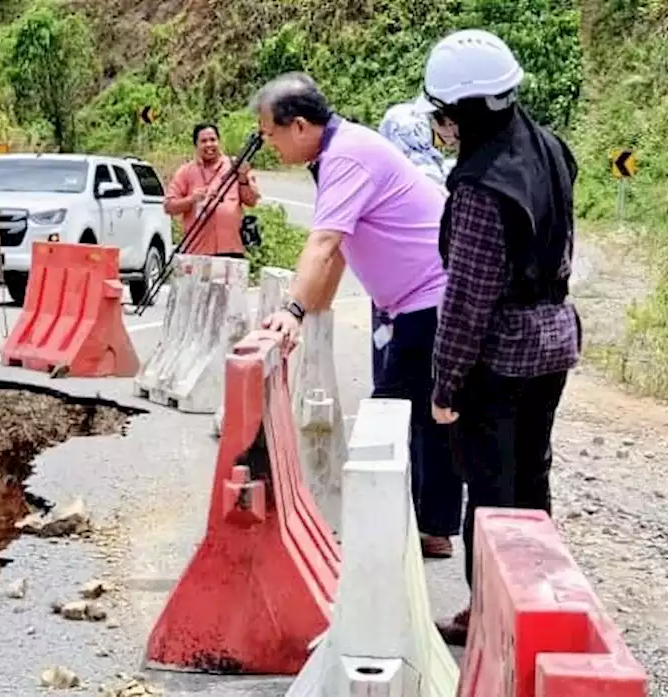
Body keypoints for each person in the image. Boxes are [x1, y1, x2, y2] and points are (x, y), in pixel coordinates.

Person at [251, 72, 464, 560]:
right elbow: (342, 245)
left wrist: (291, 309)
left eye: (270, 133)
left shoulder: (346, 155)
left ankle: (392, 531)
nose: (269, 145)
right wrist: (310, 313)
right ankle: (427, 526)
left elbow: (323, 241)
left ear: (299, 126)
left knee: (388, 417)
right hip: (415, 303)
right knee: (421, 418)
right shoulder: (338, 152)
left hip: (429, 301)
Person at [415, 29, 582, 646]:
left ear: (465, 111)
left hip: (502, 359)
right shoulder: (551, 147)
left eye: (444, 114)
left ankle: (488, 616)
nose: (443, 126)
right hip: (553, 341)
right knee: (531, 481)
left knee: (489, 494)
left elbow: (467, 301)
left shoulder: (481, 185)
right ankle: (535, 602)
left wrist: (445, 383)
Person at [371, 95, 457, 389]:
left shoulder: (395, 181)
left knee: (392, 384)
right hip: (444, 292)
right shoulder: (447, 171)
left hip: (405, 295)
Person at [164, 123, 262, 257]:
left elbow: (252, 201)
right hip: (197, 251)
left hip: (231, 250)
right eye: (204, 141)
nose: (209, 145)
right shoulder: (185, 171)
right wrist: (191, 199)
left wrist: (243, 179)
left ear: (219, 142)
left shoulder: (235, 166)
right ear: (196, 145)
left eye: (213, 140)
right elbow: (169, 206)